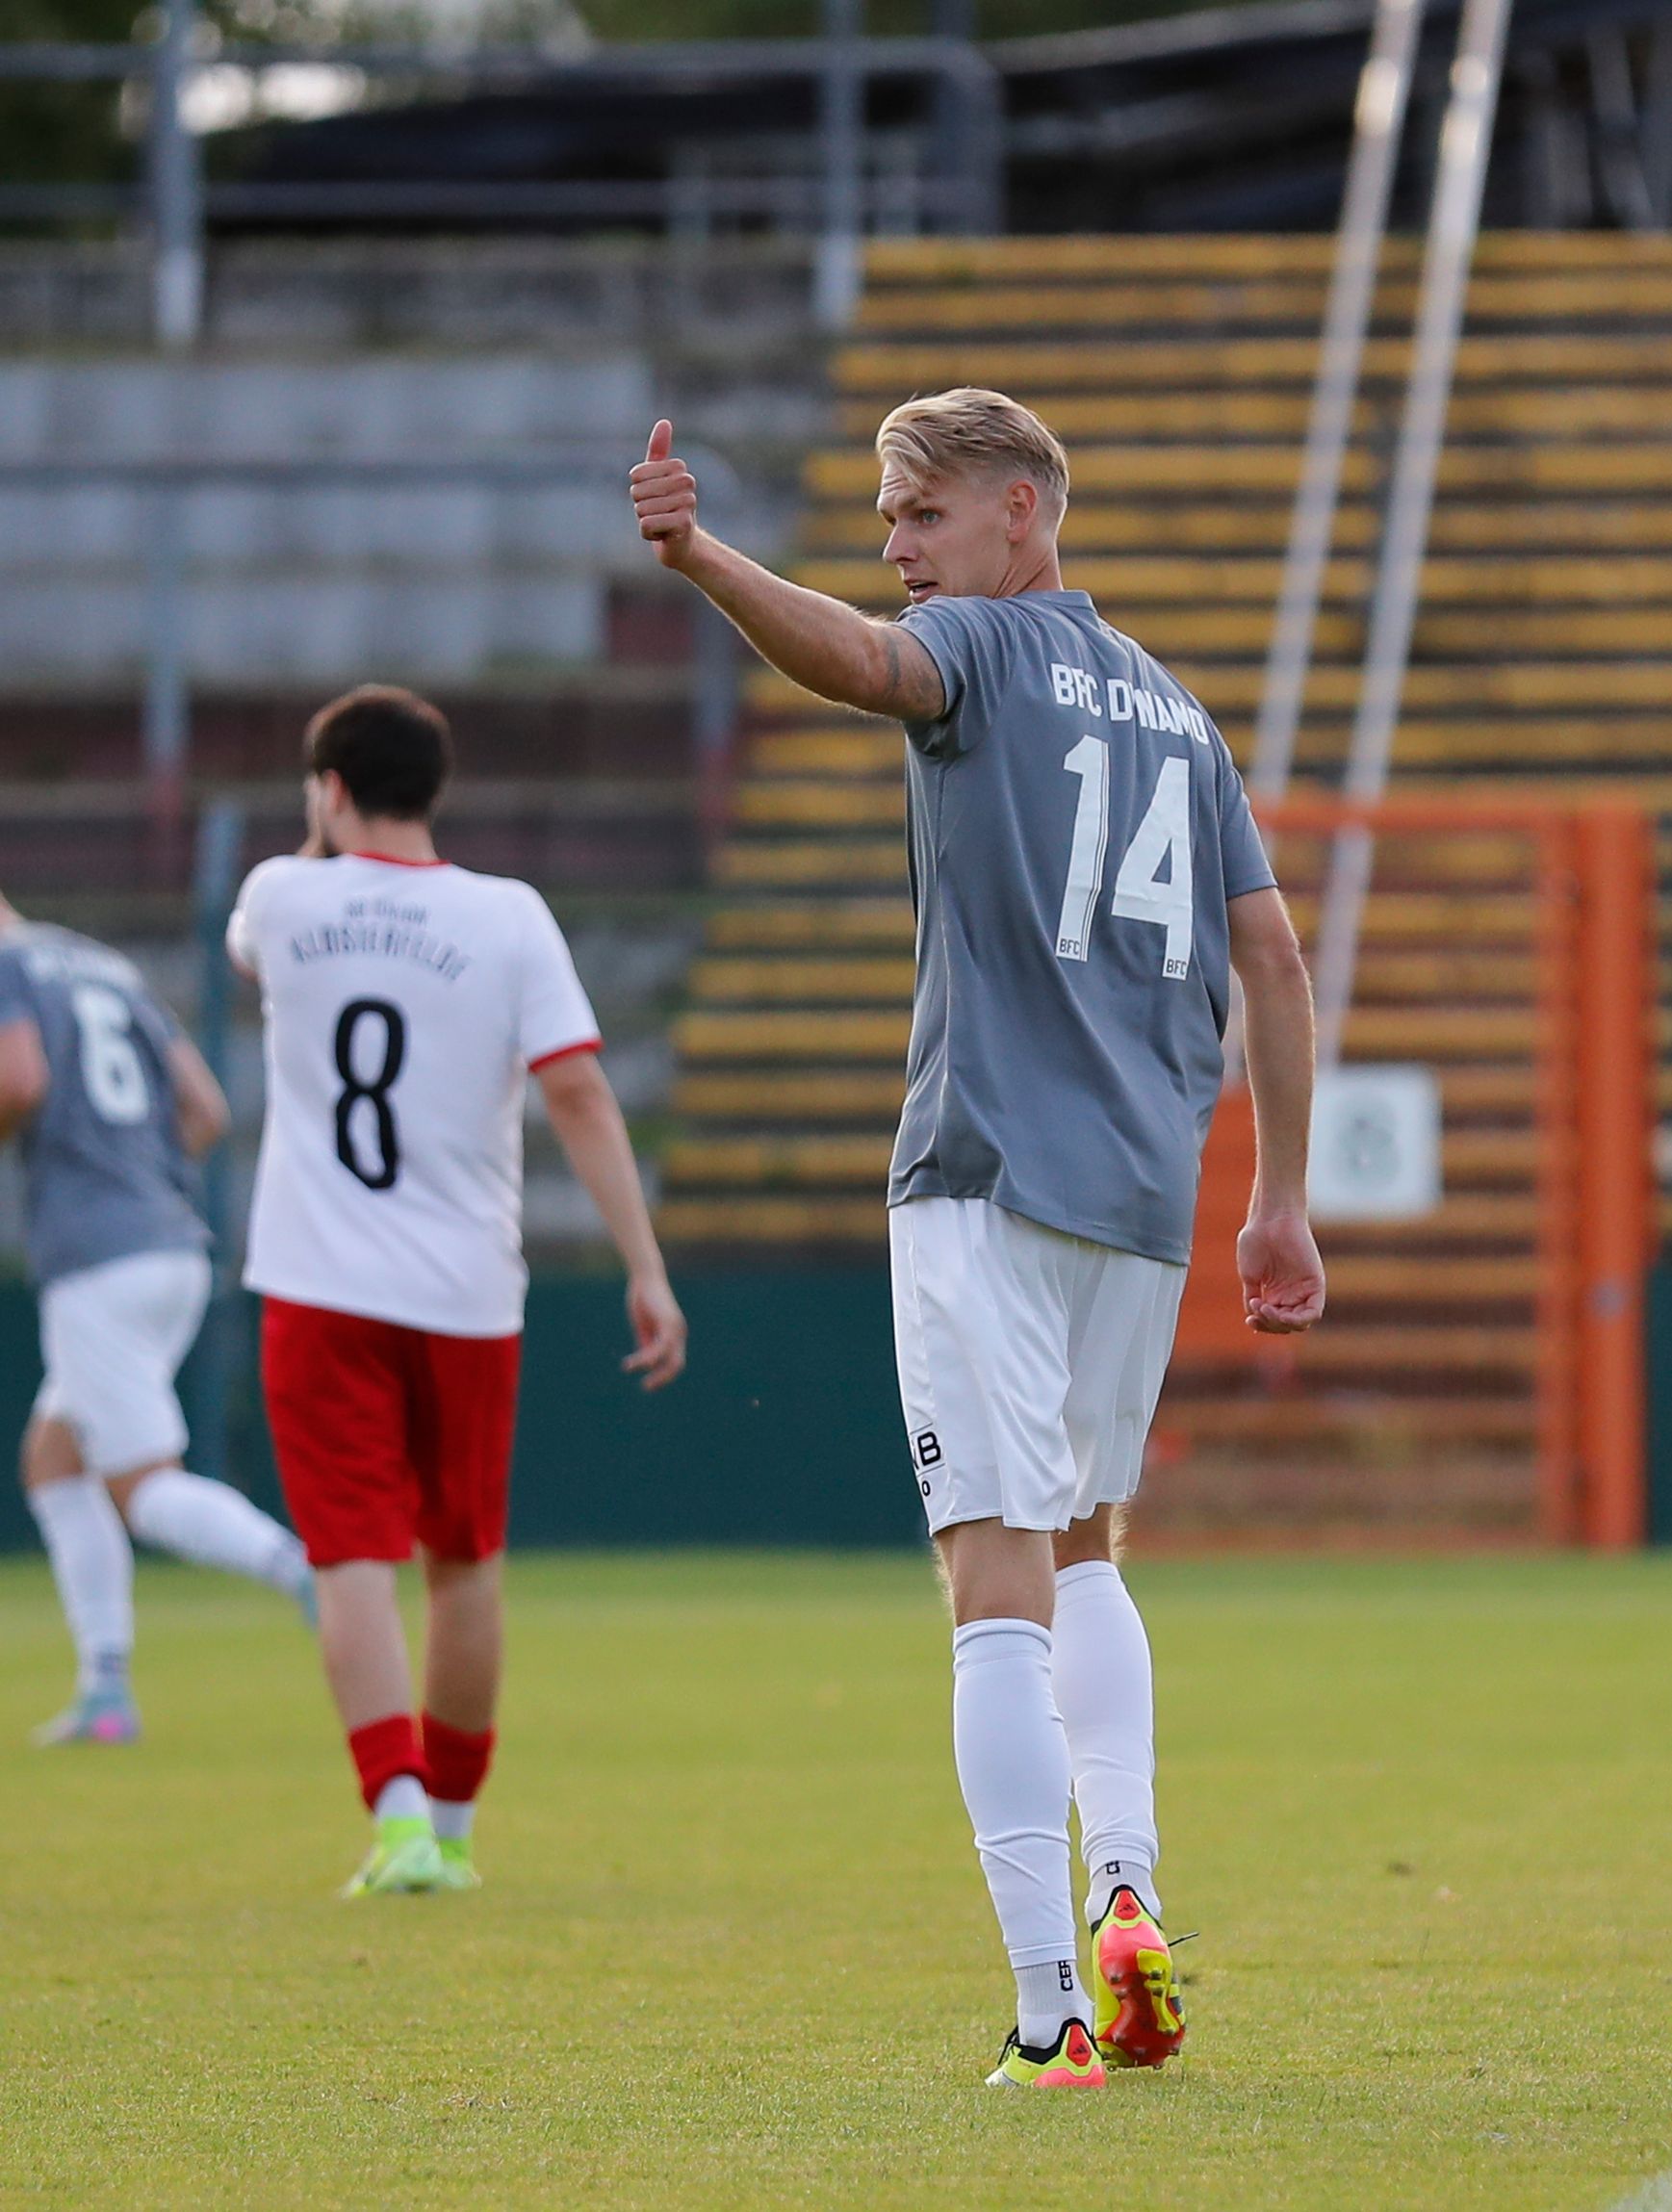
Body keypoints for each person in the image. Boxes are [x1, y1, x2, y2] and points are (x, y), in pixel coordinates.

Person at [630, 392, 1325, 2087]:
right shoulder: (1176, 713)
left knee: (990, 1577)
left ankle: (1046, 2009)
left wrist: (696, 552)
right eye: (885, 518)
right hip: (1144, 1204)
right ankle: (1133, 1888)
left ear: (1022, 510)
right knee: (1089, 1546)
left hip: (986, 1172)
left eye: (915, 512)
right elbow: (1275, 966)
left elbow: (865, 666)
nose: (894, 547)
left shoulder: (983, 654)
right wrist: (1277, 1197)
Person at [229, 684, 687, 1899]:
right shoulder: (510, 917)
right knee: (464, 1561)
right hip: (468, 1290)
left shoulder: (279, 897)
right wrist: (643, 1264)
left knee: (349, 1559)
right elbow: (580, 1093)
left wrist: (321, 850)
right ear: (437, 791)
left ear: (328, 788)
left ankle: (393, 1821)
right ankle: (456, 1824)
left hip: (318, 1284)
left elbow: (247, 960)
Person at [0, 895, 315, 1747]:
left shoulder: (8, 970)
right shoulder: (101, 960)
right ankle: (105, 1690)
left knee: (141, 1489)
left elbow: (18, 1079)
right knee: (55, 1463)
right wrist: (139, 1181)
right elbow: (204, 1108)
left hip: (96, 1260)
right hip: (171, 1245)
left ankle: (303, 1570)